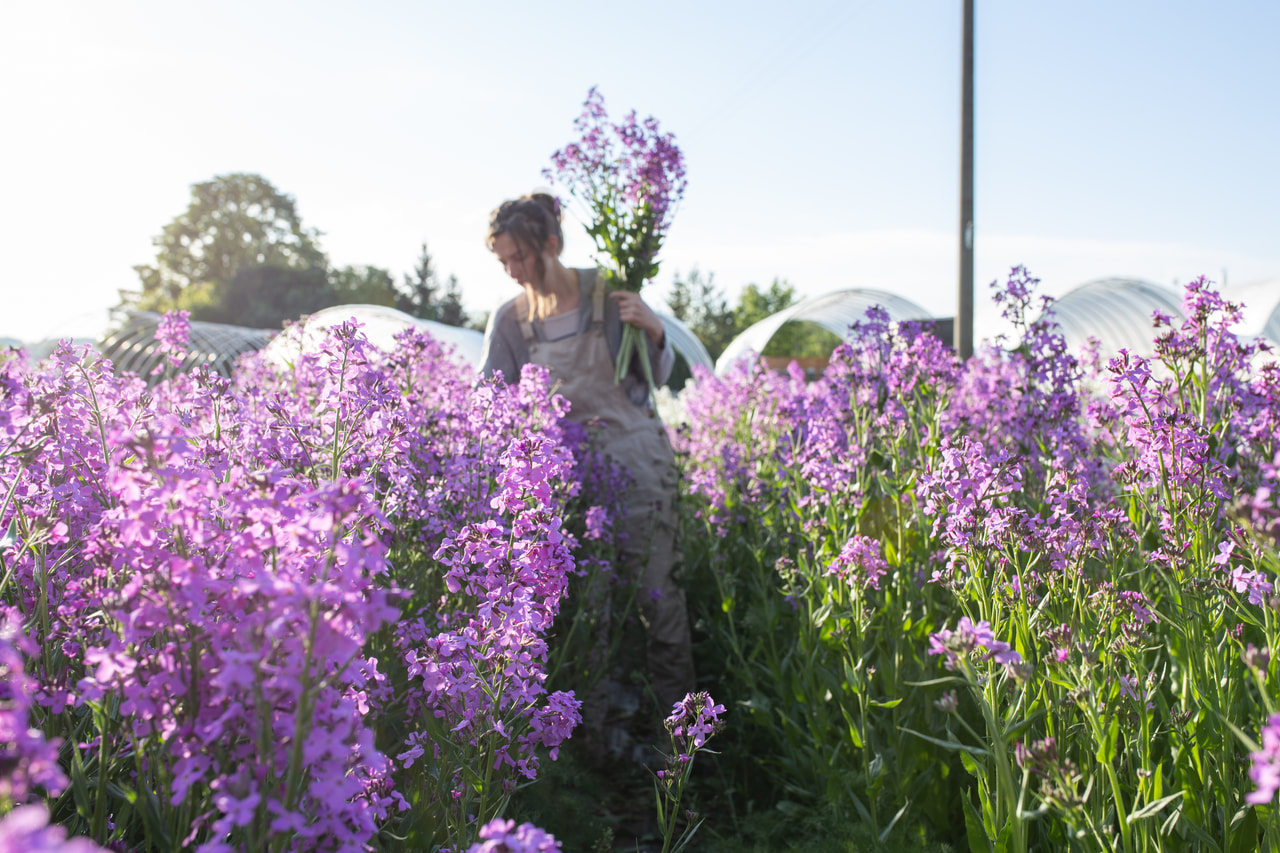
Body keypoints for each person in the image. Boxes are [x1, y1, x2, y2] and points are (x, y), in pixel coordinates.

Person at [479, 192, 695, 725]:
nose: (511, 272)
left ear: (551, 245)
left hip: (639, 461)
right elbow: (490, 402)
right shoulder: (510, 321)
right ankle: (595, 736)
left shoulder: (611, 292)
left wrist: (655, 329)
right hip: (570, 483)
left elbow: (660, 376)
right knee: (589, 612)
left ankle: (682, 742)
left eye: (519, 258)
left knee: (660, 601)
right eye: (502, 261)